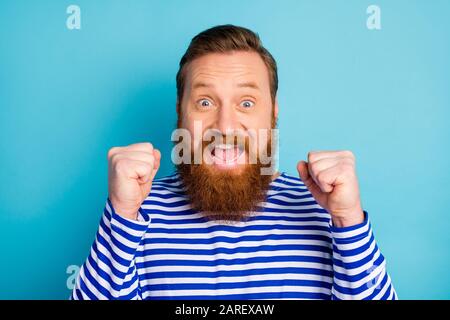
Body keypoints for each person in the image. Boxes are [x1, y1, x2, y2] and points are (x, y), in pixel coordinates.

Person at [72, 24, 396, 300]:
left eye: (246, 102)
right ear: (179, 111)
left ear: (273, 111)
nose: (225, 126)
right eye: (204, 101)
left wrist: (347, 220)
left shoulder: (326, 211)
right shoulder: (136, 212)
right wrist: (122, 215)